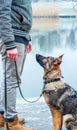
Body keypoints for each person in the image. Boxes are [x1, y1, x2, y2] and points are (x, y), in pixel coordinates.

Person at [0, 0, 34, 130]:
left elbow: (19, 10)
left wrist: (26, 38)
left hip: (18, 36)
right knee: (12, 80)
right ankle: (12, 123)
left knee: (8, 79)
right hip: (13, 37)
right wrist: (10, 43)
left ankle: (3, 117)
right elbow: (2, 13)